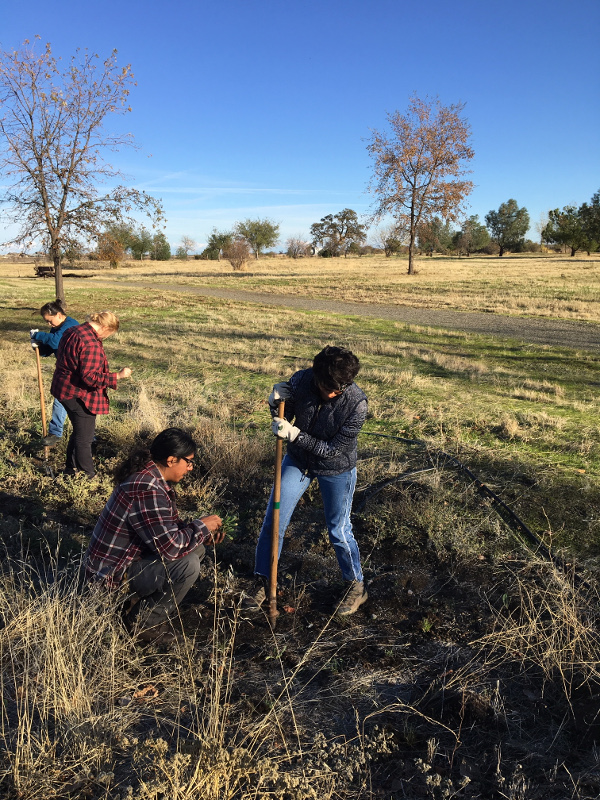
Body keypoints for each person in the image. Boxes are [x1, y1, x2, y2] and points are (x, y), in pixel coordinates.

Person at [246, 345, 369, 616]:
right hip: (299, 461)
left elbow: (332, 450)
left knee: (339, 528)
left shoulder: (357, 404)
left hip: (337, 469)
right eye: (327, 387)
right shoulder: (301, 380)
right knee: (273, 519)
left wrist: (295, 435)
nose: (332, 393)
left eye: (339, 389)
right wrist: (274, 403)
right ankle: (265, 579)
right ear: (316, 376)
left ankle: (355, 586)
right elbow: (283, 418)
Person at [84, 427, 223, 644]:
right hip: (111, 577)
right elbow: (171, 548)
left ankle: (137, 602)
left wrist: (202, 533)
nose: (190, 468)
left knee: (197, 548)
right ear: (171, 460)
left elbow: (167, 530)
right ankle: (143, 622)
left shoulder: (150, 475)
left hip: (127, 561)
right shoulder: (147, 487)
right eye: (188, 462)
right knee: (189, 565)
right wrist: (201, 526)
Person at [50, 311, 132, 479]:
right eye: (109, 333)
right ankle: (87, 476)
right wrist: (118, 375)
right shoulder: (90, 343)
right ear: (105, 327)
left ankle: (70, 469)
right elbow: (90, 378)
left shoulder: (74, 330)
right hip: (77, 393)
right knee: (84, 438)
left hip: (63, 388)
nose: (107, 337)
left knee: (79, 431)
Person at [29, 299, 79, 446]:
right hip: (65, 371)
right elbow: (50, 349)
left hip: (76, 372)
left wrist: (38, 336)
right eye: (47, 322)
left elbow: (56, 342)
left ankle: (88, 436)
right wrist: (38, 346)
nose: (49, 325)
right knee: (61, 401)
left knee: (75, 404)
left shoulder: (71, 325)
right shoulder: (56, 328)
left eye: (50, 321)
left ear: (58, 315)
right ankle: (56, 433)